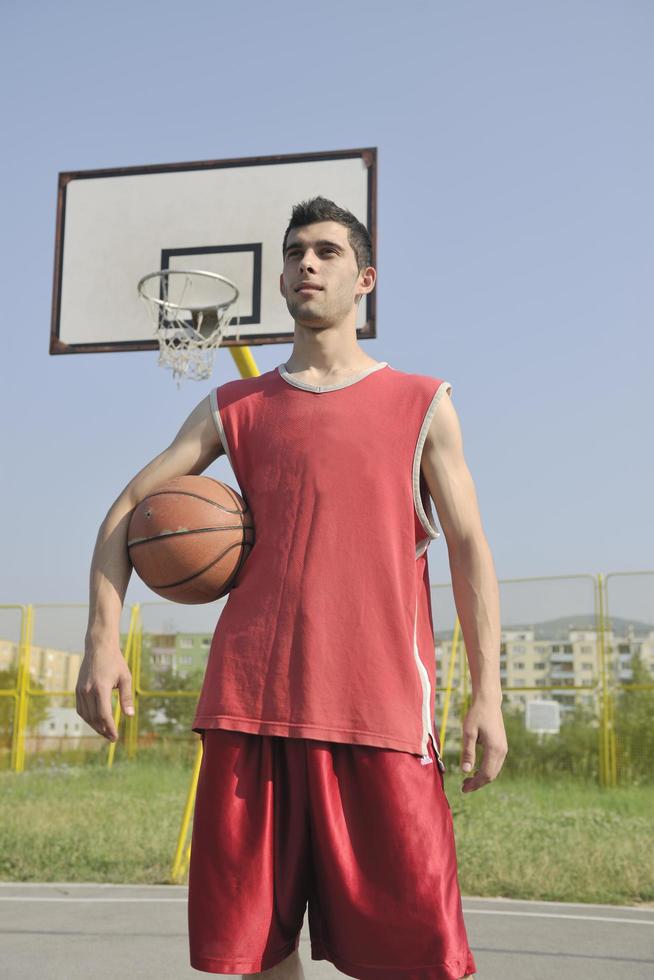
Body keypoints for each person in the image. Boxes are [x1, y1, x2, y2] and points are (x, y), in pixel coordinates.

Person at [77, 196, 508, 980]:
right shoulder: (233, 408)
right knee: (257, 958)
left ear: (365, 278)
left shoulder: (423, 404)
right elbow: (127, 513)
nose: (306, 263)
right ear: (279, 277)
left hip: (380, 719)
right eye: (295, 252)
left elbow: (471, 552)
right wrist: (102, 642)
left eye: (327, 252)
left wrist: (488, 695)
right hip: (252, 710)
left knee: (420, 962)